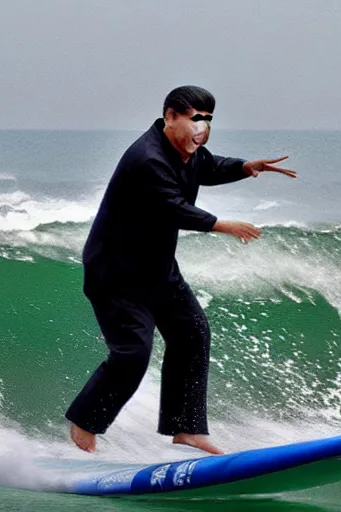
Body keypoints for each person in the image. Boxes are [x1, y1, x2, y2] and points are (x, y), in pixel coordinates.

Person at [65, 85, 297, 454]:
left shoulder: (185, 151)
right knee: (133, 354)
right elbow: (169, 206)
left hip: (156, 268)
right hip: (116, 273)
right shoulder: (147, 159)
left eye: (207, 120)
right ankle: (84, 424)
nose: (201, 128)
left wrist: (245, 167)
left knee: (192, 333)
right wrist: (223, 224)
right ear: (170, 116)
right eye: (195, 119)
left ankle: (187, 429)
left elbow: (208, 165)